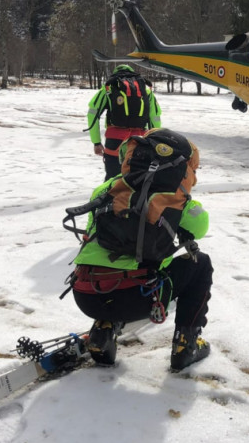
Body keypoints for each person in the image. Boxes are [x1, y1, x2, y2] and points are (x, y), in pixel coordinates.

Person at [70, 129, 213, 372]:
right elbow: (201, 227)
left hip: (85, 293)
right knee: (200, 264)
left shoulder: (106, 189)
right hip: (138, 298)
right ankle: (185, 346)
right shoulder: (177, 198)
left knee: (110, 265)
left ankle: (104, 328)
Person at [87, 64, 162, 180]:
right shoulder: (145, 90)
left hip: (115, 142)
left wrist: (96, 142)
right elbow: (155, 118)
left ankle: (111, 197)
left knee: (113, 179)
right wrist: (155, 143)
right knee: (139, 179)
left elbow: (92, 114)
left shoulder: (109, 87)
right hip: (140, 141)